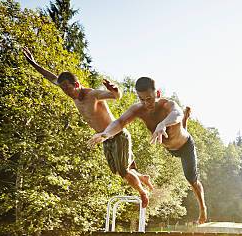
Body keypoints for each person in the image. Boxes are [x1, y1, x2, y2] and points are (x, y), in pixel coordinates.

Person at [22, 47, 152, 207]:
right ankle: (142, 178)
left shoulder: (93, 95)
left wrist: (115, 90)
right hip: (104, 138)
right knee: (118, 171)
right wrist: (33, 63)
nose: (66, 93)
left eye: (68, 89)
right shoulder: (70, 92)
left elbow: (116, 96)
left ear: (76, 84)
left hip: (117, 134)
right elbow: (51, 77)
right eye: (63, 89)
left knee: (124, 171)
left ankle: (142, 192)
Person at [88, 77, 207, 224]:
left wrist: (163, 124)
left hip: (185, 146)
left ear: (157, 93)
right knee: (124, 167)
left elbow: (177, 114)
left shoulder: (167, 104)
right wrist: (106, 133)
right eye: (142, 99)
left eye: (149, 99)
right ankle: (183, 124)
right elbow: (120, 122)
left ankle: (203, 209)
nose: (146, 103)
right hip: (169, 147)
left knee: (191, 178)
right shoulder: (138, 109)